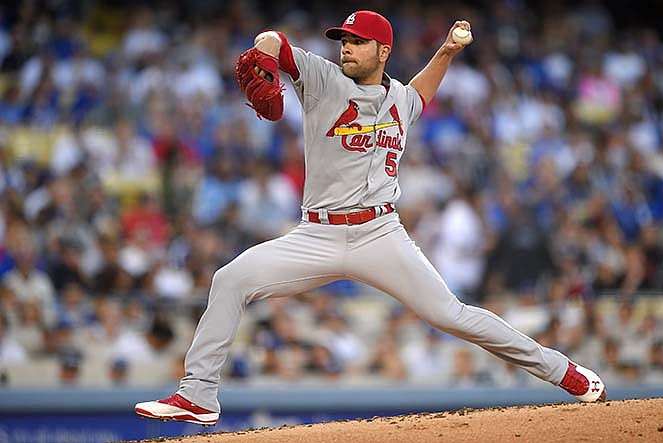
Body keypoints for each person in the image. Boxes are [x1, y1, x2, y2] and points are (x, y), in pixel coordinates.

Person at [135, 10, 606, 426]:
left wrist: (445, 51)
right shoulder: (321, 79)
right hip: (315, 234)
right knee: (230, 279)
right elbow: (273, 41)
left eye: (357, 41)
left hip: (380, 233)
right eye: (344, 40)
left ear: (383, 50)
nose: (347, 47)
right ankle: (198, 395)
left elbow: (421, 91)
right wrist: (263, 54)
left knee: (452, 315)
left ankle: (562, 371)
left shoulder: (400, 99)